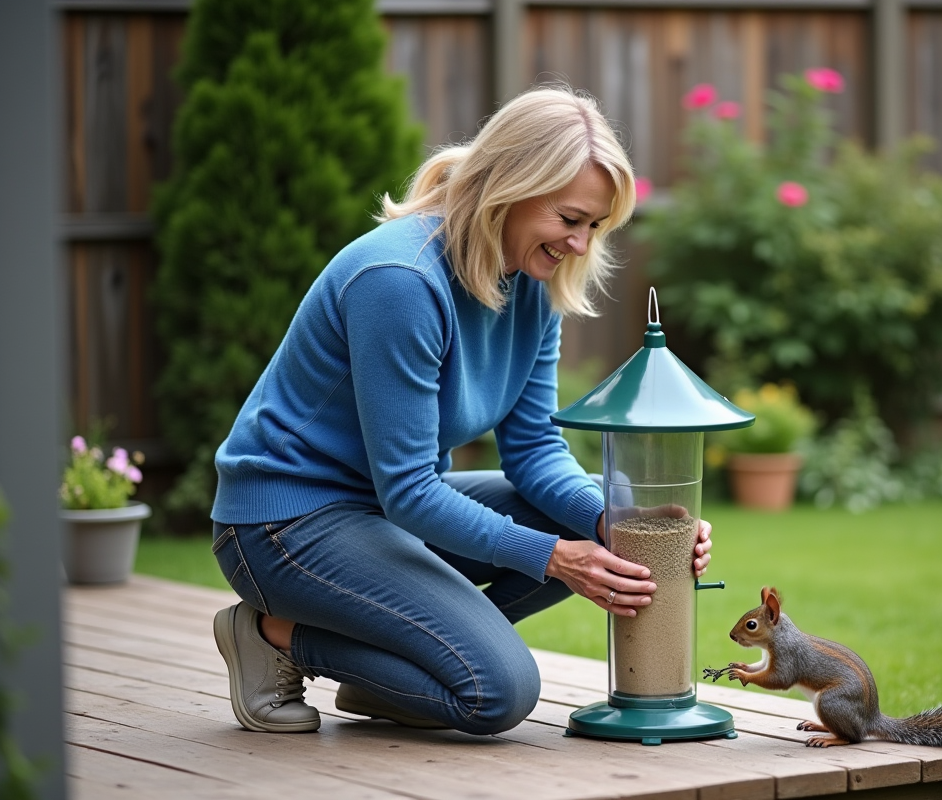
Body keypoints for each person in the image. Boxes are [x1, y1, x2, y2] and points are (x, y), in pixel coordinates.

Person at [209, 85, 715, 736]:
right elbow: (409, 490)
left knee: (603, 504)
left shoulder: (532, 285)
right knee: (495, 690)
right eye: (570, 219)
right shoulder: (400, 280)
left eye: (594, 226)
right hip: (286, 525)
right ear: (510, 185)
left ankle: (408, 674)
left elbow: (534, 449)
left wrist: (617, 526)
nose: (582, 245)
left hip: (383, 515)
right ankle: (273, 635)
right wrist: (555, 557)